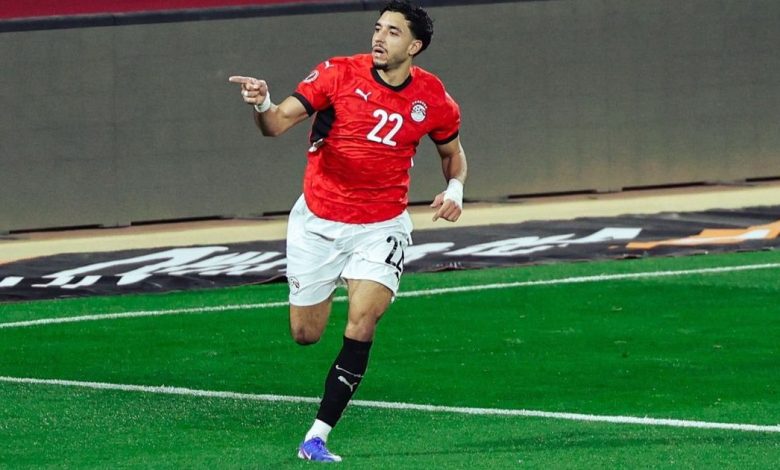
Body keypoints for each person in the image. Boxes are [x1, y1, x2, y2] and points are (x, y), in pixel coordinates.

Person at [229, 0, 467, 462]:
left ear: (414, 46)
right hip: (318, 222)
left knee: (363, 320)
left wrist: (455, 188)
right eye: (378, 28)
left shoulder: (433, 97)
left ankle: (316, 437)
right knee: (305, 334)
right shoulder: (337, 74)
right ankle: (330, 282)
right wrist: (262, 102)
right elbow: (274, 125)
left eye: (393, 32)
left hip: (381, 226)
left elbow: (452, 153)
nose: (379, 37)